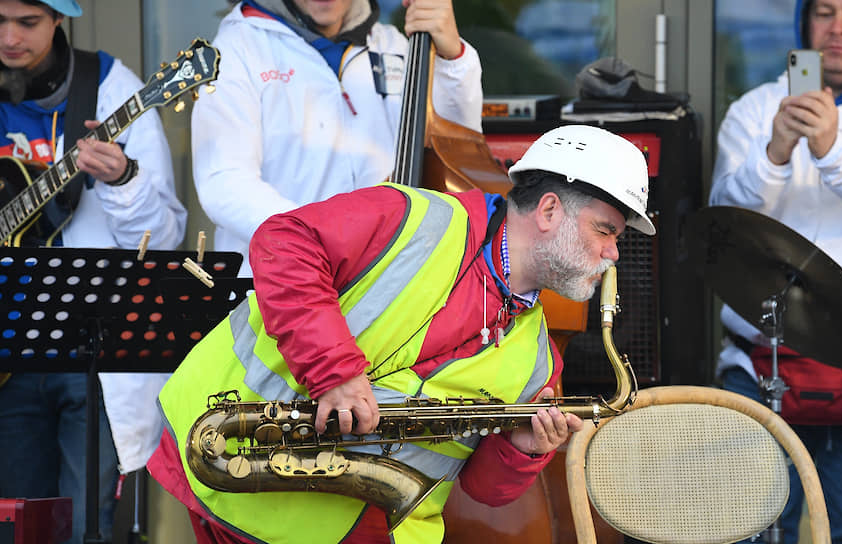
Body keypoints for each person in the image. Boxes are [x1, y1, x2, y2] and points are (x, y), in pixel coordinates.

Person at [146, 124, 656, 544]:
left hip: (352, 525)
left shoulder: (543, 363)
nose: (613, 253)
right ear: (549, 211)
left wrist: (522, 449)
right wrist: (335, 374)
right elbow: (284, 241)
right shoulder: (411, 216)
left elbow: (481, 488)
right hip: (224, 459)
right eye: (606, 230)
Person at [710, 0, 842, 542]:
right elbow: (724, 223)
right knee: (747, 526)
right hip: (760, 363)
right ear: (802, 22)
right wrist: (775, 151)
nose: (838, 28)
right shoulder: (757, 108)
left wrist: (832, 149)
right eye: (824, 11)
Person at [0, 0, 187, 542]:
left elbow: (163, 238)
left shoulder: (109, 86)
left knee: (87, 528)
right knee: (15, 525)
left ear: (59, 19)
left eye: (27, 22)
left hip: (89, 353)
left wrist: (125, 177)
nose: (9, 36)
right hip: (9, 355)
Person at [191, 0, 483, 277]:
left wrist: (452, 58)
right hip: (281, 286)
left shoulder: (392, 43)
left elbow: (458, 147)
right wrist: (323, 234)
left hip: (385, 282)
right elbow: (224, 182)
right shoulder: (236, 48)